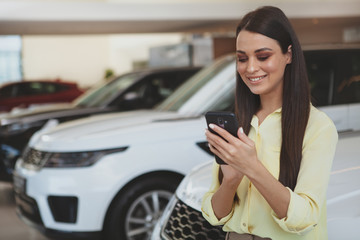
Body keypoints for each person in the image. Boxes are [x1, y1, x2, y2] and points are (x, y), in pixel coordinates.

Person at [201, 6, 338, 240]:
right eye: (242, 58)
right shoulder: (237, 122)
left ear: (289, 54)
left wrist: (251, 167)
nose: (251, 68)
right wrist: (231, 181)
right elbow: (215, 215)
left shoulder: (318, 127)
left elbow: (305, 218)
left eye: (263, 56)